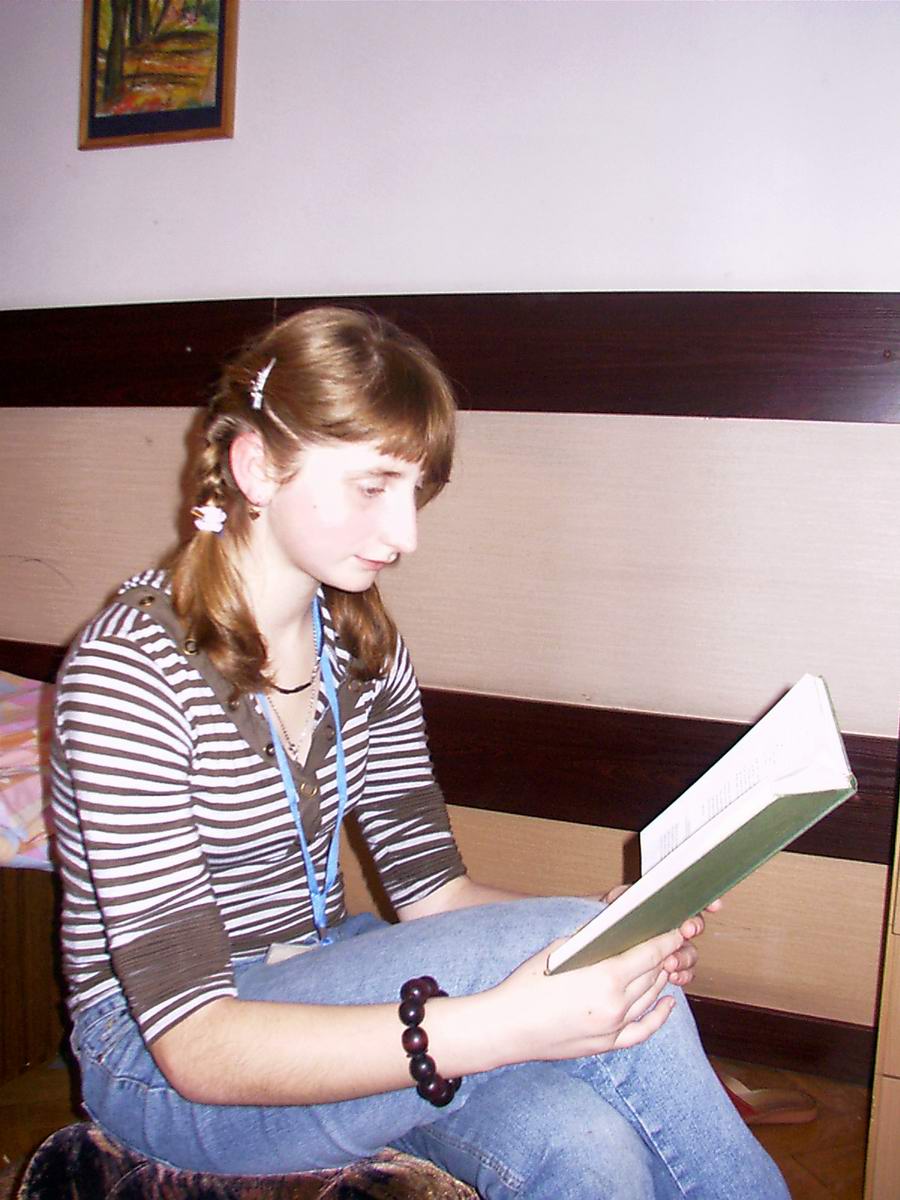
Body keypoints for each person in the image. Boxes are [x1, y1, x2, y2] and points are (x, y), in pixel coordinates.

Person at [51, 307, 789, 1199]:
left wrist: (602, 930)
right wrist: (506, 1022)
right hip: (165, 1062)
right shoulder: (130, 672)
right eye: (374, 487)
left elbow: (435, 893)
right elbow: (196, 1046)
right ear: (256, 468)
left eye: (416, 490)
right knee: (568, 967)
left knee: (585, 1145)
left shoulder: (361, 648)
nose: (406, 534)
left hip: (319, 972)